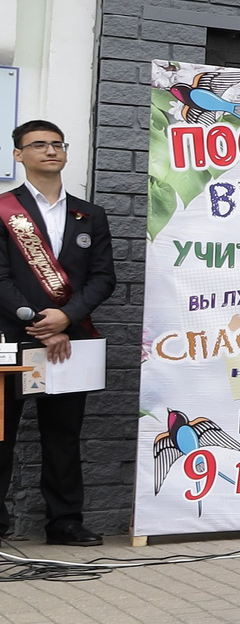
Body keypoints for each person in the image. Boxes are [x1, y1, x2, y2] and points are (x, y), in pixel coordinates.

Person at [0, 119, 114, 544]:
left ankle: (64, 523)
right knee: (0, 433)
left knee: (64, 435)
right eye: (39, 145)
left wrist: (66, 318)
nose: (51, 151)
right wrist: (40, 320)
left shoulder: (91, 214)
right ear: (19, 155)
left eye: (57, 144)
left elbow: (104, 279)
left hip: (72, 340)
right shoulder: (2, 210)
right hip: (10, 339)